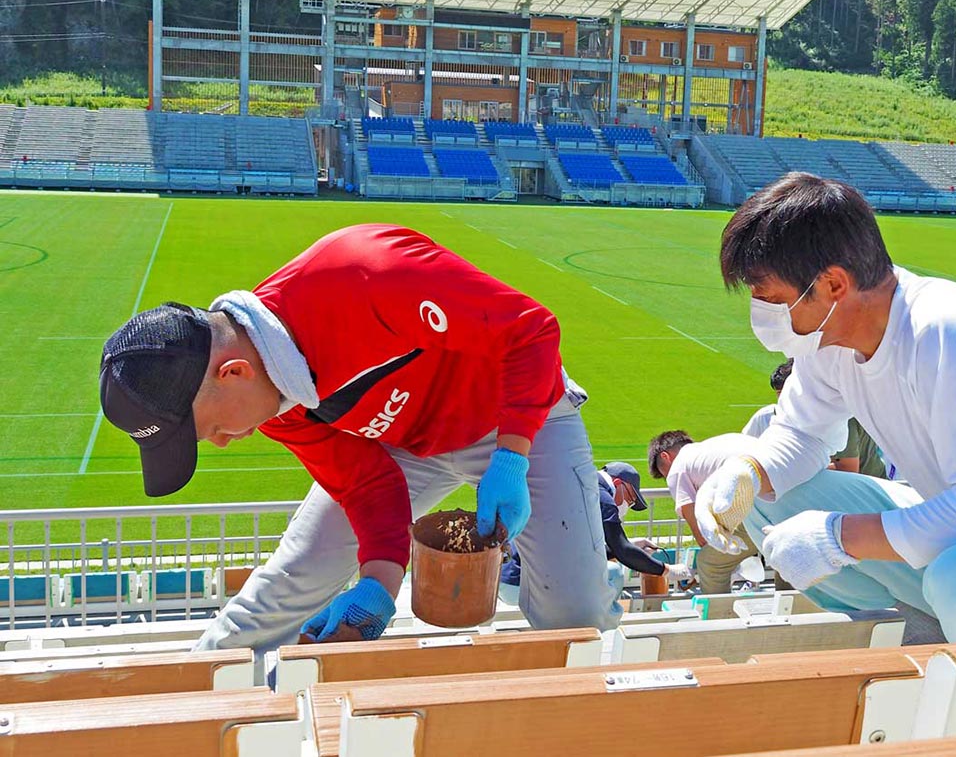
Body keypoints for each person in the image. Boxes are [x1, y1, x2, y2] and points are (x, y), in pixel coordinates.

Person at [99, 224, 622, 659]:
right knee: (292, 580)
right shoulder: (273, 403)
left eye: (210, 429)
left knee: (576, 612)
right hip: (409, 444)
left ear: (233, 372)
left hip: (517, 416)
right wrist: (380, 585)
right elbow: (366, 483)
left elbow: (529, 331)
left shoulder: (367, 271)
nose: (222, 442)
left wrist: (511, 455)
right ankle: (198, 695)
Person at [694, 172, 956, 642]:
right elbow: (801, 434)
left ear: (834, 283)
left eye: (771, 299)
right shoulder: (827, 342)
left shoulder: (945, 332)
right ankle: (917, 637)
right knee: (766, 500)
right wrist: (749, 471)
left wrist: (840, 537)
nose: (762, 316)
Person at [499, 462, 691, 604]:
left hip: (508, 579)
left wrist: (629, 545)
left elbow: (585, 549)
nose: (628, 505)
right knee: (612, 573)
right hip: (529, 585)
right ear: (617, 483)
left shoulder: (583, 483)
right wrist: (667, 570)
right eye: (631, 498)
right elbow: (622, 550)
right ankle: (602, 629)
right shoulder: (603, 497)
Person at [648, 431, 760, 594]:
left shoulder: (677, 469)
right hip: (785, 490)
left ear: (666, 456)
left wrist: (695, 570)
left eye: (664, 474)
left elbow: (703, 534)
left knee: (709, 563)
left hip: (759, 504)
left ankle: (720, 618)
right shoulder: (711, 447)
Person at [744, 359, 887, 478]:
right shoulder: (769, 415)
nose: (783, 400)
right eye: (778, 394)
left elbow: (847, 468)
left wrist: (790, 470)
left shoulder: (839, 414)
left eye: (787, 393)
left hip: (864, 490)